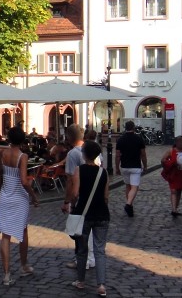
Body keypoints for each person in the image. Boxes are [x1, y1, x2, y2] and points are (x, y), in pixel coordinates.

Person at [0, 126, 40, 286]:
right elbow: (24, 181)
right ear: (23, 140)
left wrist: (8, 145)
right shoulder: (23, 156)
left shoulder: (4, 153)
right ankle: (24, 265)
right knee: (23, 230)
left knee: (5, 235)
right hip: (18, 197)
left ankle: (6, 274)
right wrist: (33, 196)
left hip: (5, 195)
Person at [70, 140, 110, 297]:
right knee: (100, 250)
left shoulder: (78, 170)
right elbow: (106, 197)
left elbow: (74, 194)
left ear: (84, 154)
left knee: (82, 249)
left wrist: (73, 206)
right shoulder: (103, 172)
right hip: (102, 214)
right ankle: (101, 285)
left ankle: (80, 281)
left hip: (84, 214)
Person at [62, 124, 96, 271]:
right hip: (95, 195)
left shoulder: (73, 154)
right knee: (91, 229)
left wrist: (67, 201)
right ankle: (91, 258)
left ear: (69, 137)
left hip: (81, 195)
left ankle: (83, 260)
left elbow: (70, 180)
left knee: (79, 230)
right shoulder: (94, 151)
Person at [114, 120, 147, 217]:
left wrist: (117, 167)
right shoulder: (139, 138)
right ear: (133, 128)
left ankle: (130, 205)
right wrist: (145, 165)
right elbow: (143, 154)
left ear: (125, 128)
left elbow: (118, 155)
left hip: (124, 166)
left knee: (128, 186)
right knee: (134, 187)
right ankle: (128, 204)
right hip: (135, 166)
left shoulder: (121, 139)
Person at [161, 136, 182, 217]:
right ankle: (173, 209)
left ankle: (176, 208)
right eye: (180, 142)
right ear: (176, 143)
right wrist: (170, 164)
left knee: (179, 190)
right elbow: (163, 160)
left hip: (181, 173)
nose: (181, 143)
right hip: (173, 173)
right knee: (173, 190)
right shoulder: (171, 151)